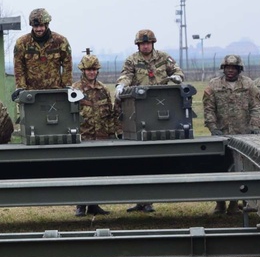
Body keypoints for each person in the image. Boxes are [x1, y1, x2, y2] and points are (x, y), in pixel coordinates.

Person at [115, 29, 185, 212]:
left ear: (153, 43)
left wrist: (176, 77)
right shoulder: (132, 60)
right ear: (138, 45)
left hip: (162, 108)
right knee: (140, 157)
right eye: (142, 44)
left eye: (148, 43)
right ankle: (142, 200)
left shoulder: (163, 57)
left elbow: (177, 71)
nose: (145, 46)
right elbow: (126, 75)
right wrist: (121, 85)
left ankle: (154, 197)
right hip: (141, 109)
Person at [203, 55, 260, 213]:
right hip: (221, 135)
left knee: (241, 171)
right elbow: (208, 108)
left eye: (233, 68)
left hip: (243, 135)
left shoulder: (248, 84)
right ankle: (220, 203)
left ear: (239, 69)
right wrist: (213, 127)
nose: (230, 70)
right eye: (227, 68)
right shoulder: (213, 85)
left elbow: (256, 107)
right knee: (219, 170)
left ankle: (235, 203)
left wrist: (254, 126)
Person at [73, 54, 120, 216]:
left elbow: (111, 114)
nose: (91, 73)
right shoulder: (75, 90)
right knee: (82, 172)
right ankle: (81, 205)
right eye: (88, 70)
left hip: (101, 138)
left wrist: (112, 133)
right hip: (83, 138)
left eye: (94, 69)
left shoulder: (104, 90)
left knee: (97, 172)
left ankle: (94, 205)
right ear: (83, 71)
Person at [13, 8, 73, 90]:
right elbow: (18, 66)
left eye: (41, 26)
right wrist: (20, 87)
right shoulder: (22, 43)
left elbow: (67, 64)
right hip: (31, 92)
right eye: (36, 26)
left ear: (47, 25)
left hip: (55, 91)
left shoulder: (60, 41)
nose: (38, 29)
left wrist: (67, 85)